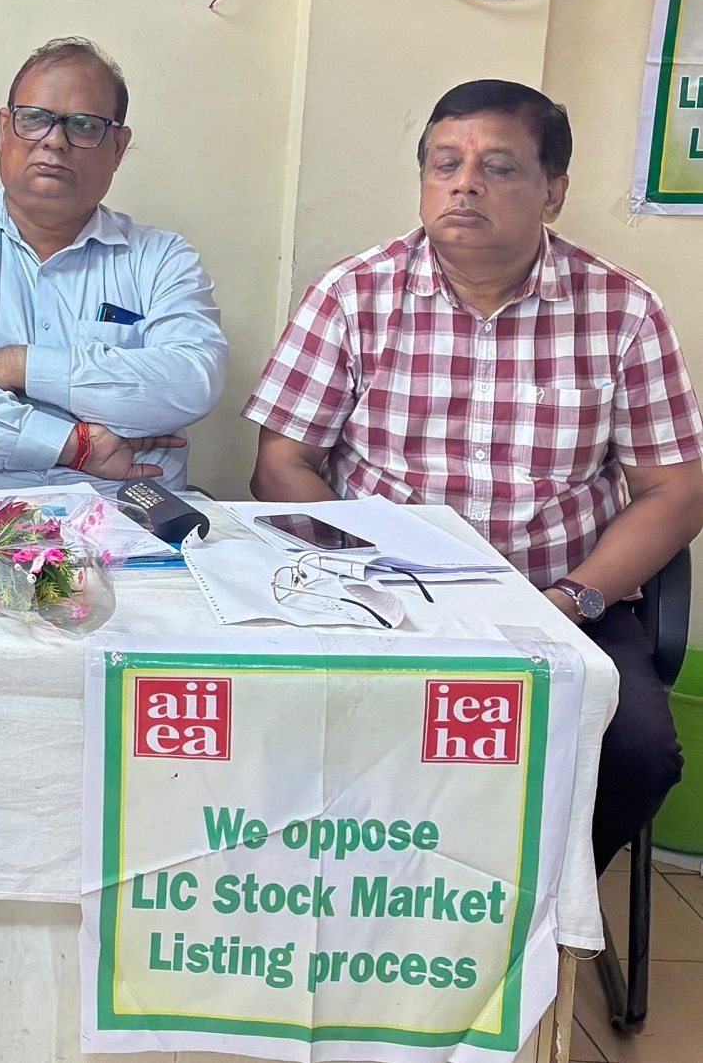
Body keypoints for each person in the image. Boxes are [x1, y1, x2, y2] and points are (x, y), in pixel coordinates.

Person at [245, 79, 703, 870]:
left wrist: (572, 600)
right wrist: (371, 572)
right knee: (281, 730)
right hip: (379, 598)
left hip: (560, 602)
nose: (464, 185)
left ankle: (536, 898)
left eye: (499, 167)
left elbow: (677, 489)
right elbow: (281, 463)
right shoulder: (354, 295)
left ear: (553, 191)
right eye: (445, 164)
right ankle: (377, 892)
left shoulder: (622, 311)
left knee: (636, 755)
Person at [0, 37, 226, 492]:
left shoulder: (161, 259)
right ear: (4, 131)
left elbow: (191, 383)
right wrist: (74, 444)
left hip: (123, 517)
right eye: (34, 119)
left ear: (118, 146)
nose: (55, 140)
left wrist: (19, 365)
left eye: (84, 125)